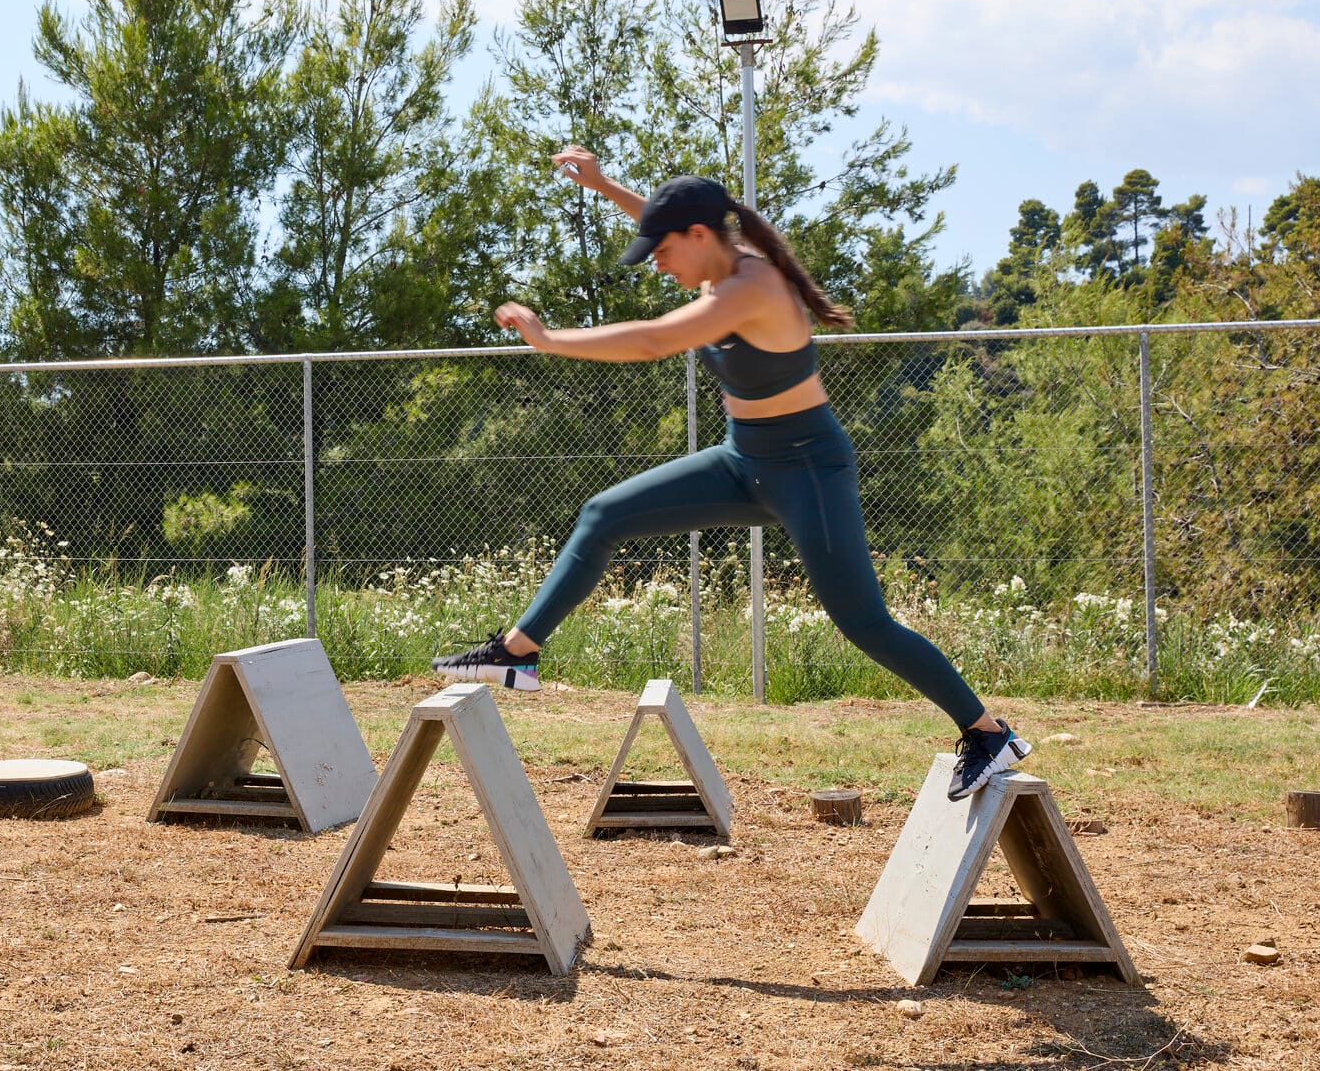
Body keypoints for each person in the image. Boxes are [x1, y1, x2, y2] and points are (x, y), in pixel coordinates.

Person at [432, 146, 1029, 800]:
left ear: (699, 236)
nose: (656, 263)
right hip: (742, 460)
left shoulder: (751, 288)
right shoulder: (712, 262)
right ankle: (517, 652)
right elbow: (668, 227)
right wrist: (605, 186)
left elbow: (655, 340)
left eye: (661, 251)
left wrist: (550, 340)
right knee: (603, 515)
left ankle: (987, 732)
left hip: (809, 469)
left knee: (863, 622)